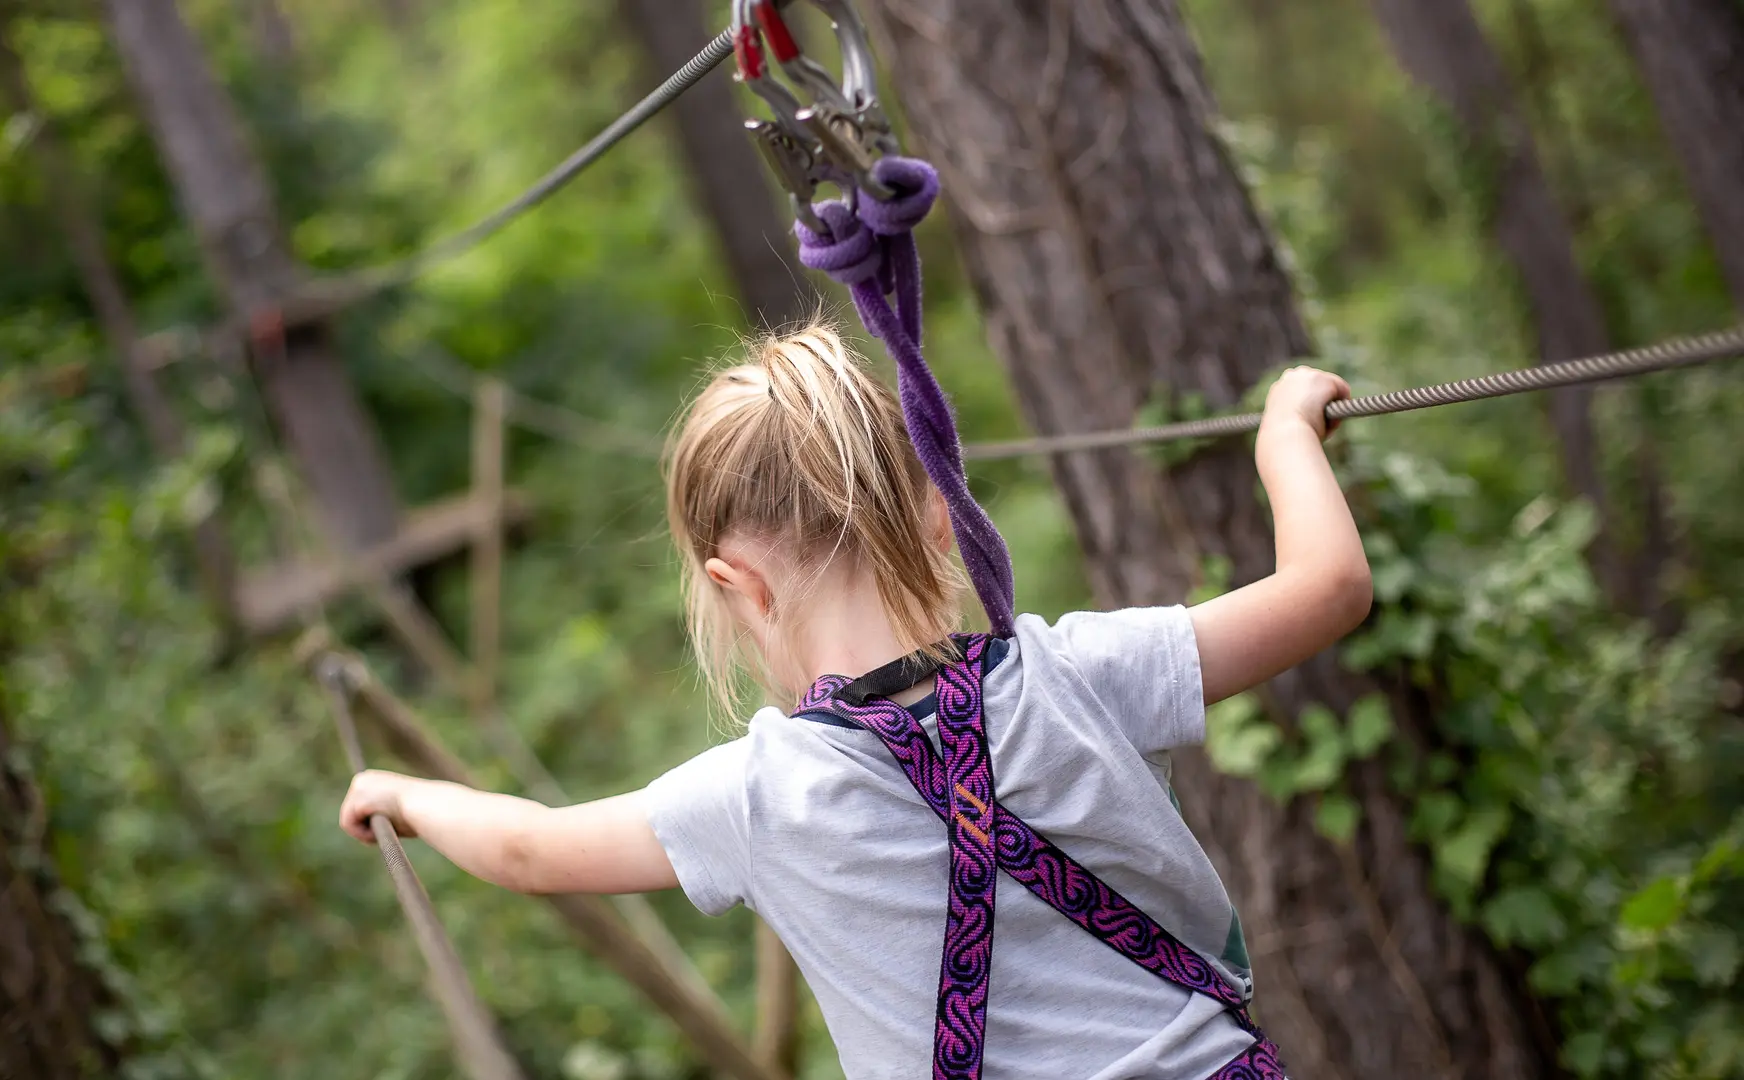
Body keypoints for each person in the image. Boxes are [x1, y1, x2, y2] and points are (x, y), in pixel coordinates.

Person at [339, 324, 1370, 1078]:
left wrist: (405, 793)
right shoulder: (1080, 674)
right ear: (934, 515)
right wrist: (1283, 431)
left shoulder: (756, 797)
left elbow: (532, 850)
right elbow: (1326, 590)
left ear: (736, 584)